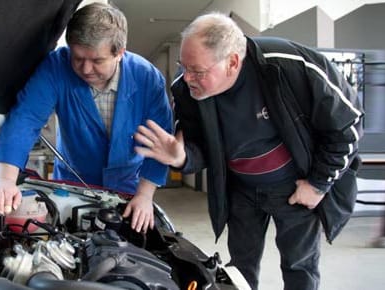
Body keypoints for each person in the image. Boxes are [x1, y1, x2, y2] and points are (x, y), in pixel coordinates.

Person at [133, 12, 364, 290]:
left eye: (197, 71)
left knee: (298, 265)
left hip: (294, 187)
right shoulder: (187, 91)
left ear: (232, 62)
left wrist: (318, 184)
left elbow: (347, 125)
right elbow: (201, 147)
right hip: (240, 188)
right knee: (239, 269)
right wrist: (182, 157)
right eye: (184, 67)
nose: (188, 77)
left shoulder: (288, 65)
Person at [0, 2, 173, 233]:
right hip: (72, 184)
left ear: (120, 53)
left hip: (128, 185)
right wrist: (5, 180)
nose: (85, 69)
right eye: (78, 58)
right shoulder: (56, 67)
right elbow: (26, 118)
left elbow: (161, 142)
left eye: (97, 60)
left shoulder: (147, 78)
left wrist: (144, 195)